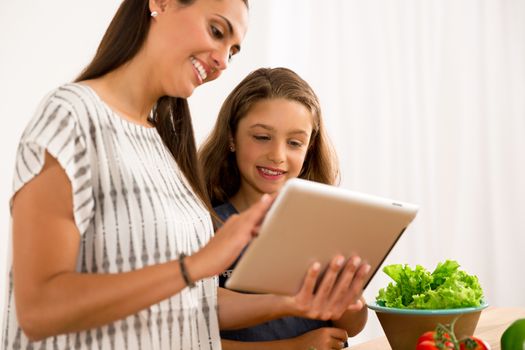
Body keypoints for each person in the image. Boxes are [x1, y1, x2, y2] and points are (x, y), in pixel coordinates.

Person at [199, 67, 370, 350]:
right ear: (232, 137)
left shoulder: (325, 224)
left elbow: (351, 326)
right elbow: (192, 331)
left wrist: (347, 299)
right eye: (262, 137)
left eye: (294, 143)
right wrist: (293, 346)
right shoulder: (207, 225)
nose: (277, 155)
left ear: (309, 148)